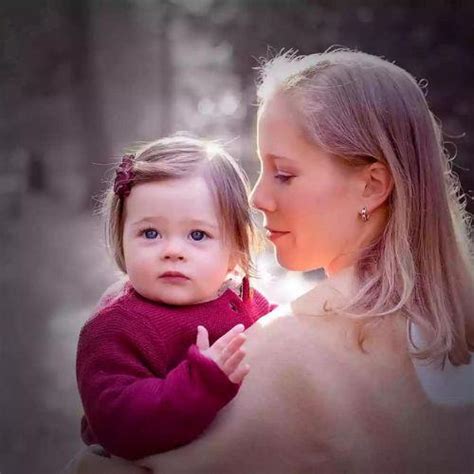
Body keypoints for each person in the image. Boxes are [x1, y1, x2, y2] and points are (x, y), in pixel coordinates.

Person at [68, 49, 474, 473]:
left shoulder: (291, 349)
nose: (257, 197)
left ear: (372, 186)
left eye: (283, 174)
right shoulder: (447, 334)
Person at [75, 135, 275, 461]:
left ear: (235, 249)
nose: (172, 251)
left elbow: (285, 341)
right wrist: (200, 383)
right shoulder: (114, 328)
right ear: (121, 238)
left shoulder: (247, 300)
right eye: (150, 233)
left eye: (198, 235)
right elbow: (117, 423)